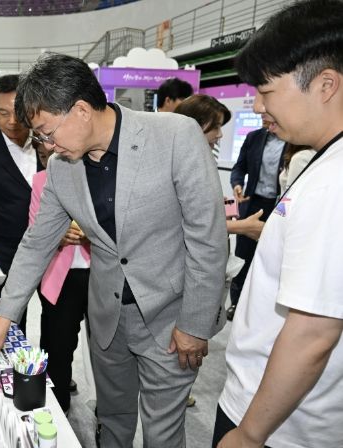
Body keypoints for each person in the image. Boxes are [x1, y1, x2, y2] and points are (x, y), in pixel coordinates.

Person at [0, 53, 227, 447]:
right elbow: (37, 243)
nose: (46, 145)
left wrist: (195, 323)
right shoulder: (62, 168)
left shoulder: (175, 135)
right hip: (108, 320)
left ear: (80, 110)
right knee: (111, 420)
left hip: (171, 321)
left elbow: (207, 238)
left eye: (46, 132)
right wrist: (3, 317)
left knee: (162, 433)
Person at [214, 1, 343, 447]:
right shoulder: (322, 161)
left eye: (266, 91)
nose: (257, 105)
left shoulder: (332, 183)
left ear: (325, 85)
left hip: (277, 424)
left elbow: (313, 332)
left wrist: (250, 434)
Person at [0, 74, 44, 333]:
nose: (12, 121)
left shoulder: (49, 141)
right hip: (9, 252)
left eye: (18, 112)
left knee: (59, 327)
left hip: (56, 252)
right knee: (12, 325)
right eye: (2, 113)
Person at [29, 139, 89, 413]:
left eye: (54, 155)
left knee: (103, 350)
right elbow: (35, 230)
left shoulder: (92, 178)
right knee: (58, 345)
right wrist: (57, 235)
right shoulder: (40, 181)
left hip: (100, 274)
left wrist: (91, 233)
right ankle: (58, 405)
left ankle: (105, 415)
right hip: (59, 277)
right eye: (43, 157)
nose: (49, 162)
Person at [174, 94, 266, 241]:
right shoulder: (175, 165)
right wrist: (243, 227)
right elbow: (182, 221)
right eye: (216, 127)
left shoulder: (198, 159)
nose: (220, 134)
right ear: (194, 125)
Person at [228, 110, 287, 320]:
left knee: (270, 258)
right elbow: (239, 167)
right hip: (251, 204)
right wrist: (237, 184)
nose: (261, 114)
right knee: (243, 257)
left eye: (266, 113)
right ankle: (236, 304)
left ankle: (263, 307)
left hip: (278, 208)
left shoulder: (293, 141)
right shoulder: (254, 137)